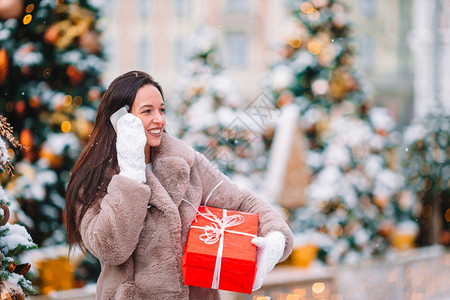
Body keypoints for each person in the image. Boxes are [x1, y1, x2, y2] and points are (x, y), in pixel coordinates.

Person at [65, 70, 293, 299]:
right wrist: (131, 175)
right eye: (147, 111)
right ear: (119, 118)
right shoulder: (94, 178)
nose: (160, 119)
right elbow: (111, 248)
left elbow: (242, 200)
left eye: (161, 110)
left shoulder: (186, 162)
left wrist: (275, 235)